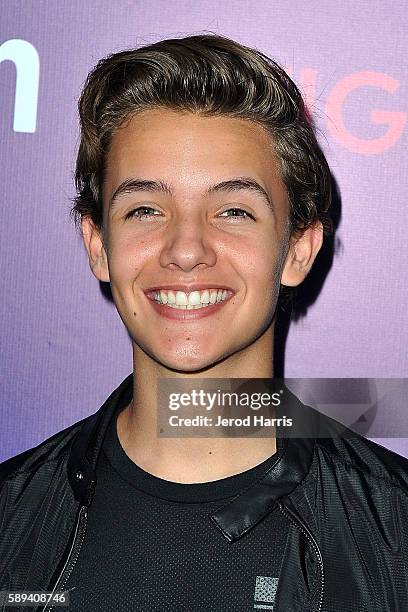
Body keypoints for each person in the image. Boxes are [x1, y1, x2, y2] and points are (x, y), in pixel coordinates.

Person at [1, 33, 407, 612]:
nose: (186, 249)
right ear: (98, 246)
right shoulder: (11, 518)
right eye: (145, 209)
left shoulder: (396, 533)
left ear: (297, 250)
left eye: (233, 211)